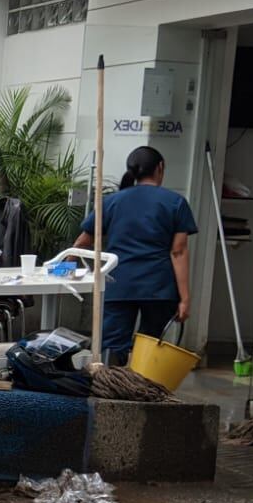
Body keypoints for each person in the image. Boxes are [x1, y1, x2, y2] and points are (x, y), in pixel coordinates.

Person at [73, 145, 198, 364]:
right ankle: (142, 391)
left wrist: (65, 266)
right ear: (160, 168)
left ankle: (111, 389)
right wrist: (185, 299)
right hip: (158, 288)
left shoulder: (111, 202)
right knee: (150, 345)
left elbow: (82, 242)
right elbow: (178, 252)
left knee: (112, 345)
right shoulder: (175, 202)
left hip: (119, 284)